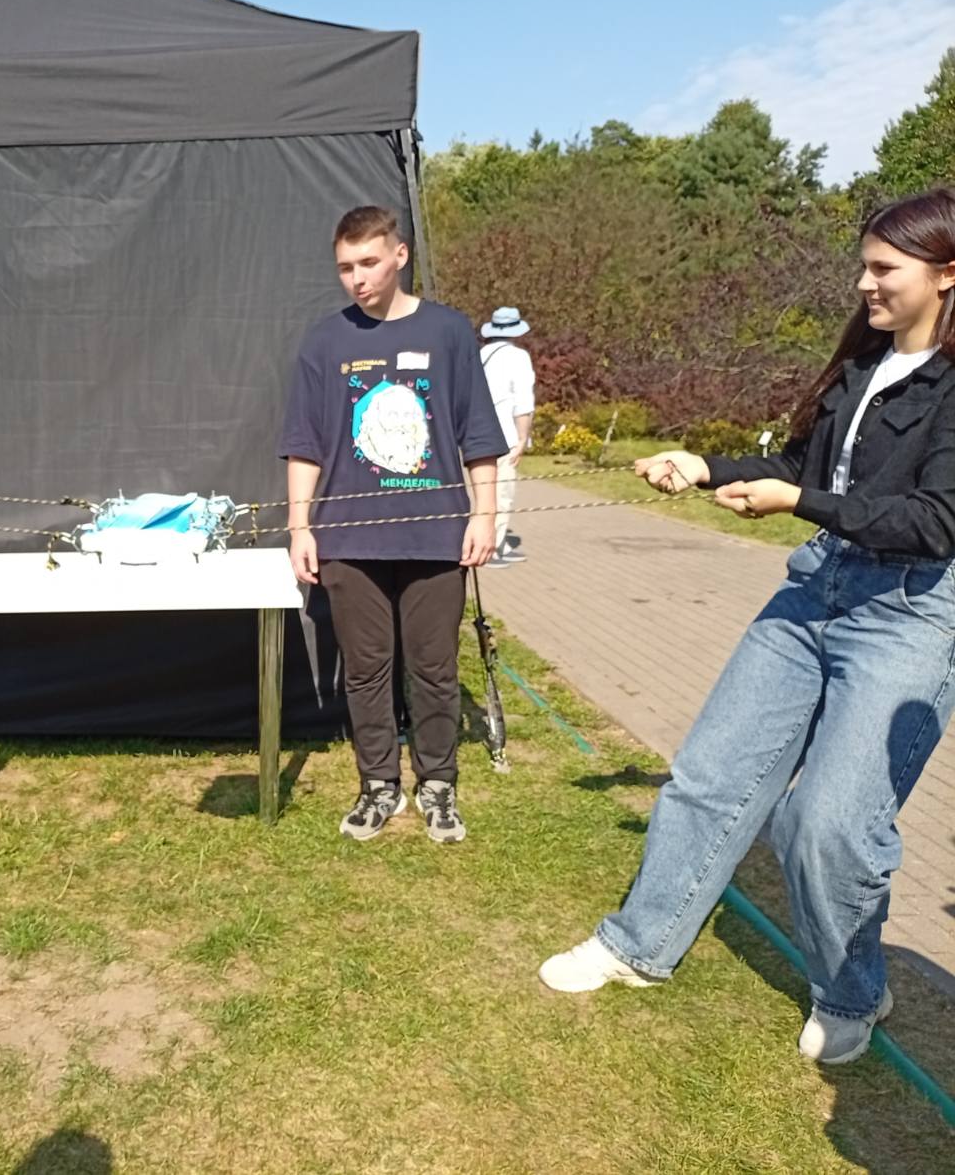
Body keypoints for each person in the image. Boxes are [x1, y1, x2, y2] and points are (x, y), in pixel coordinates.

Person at [539, 187, 955, 1065]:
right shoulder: (862, 365)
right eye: (864, 266)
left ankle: (853, 989)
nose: (864, 284)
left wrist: (799, 502)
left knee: (828, 824)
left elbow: (935, 521)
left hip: (908, 613)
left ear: (946, 273)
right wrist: (702, 465)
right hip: (816, 589)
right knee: (709, 775)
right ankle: (637, 945)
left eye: (884, 268)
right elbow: (802, 465)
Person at [279, 205, 506, 844]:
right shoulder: (325, 342)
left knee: (434, 668)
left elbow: (479, 436)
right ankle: (379, 784)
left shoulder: (449, 332)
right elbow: (304, 445)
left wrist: (485, 515)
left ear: (399, 256)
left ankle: (438, 784)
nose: (358, 278)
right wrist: (300, 528)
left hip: (435, 536)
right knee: (366, 669)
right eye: (345, 267)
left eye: (369, 262)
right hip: (349, 539)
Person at [478, 306, 536, 565]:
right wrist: (522, 439)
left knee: (482, 492)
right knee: (502, 493)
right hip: (504, 434)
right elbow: (523, 403)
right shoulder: (518, 357)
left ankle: (489, 542)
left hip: (477, 434)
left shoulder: (480, 355)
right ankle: (493, 547)